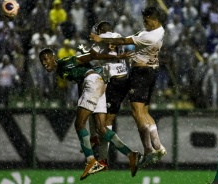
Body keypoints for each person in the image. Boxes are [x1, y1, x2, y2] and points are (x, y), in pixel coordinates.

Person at [39, 48, 141, 180]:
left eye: (46, 59)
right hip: (98, 83)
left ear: (53, 57)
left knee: (79, 124)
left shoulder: (64, 63)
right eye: (42, 61)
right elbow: (81, 79)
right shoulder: (61, 71)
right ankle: (131, 155)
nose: (44, 63)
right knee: (102, 129)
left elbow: (90, 56)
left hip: (92, 82)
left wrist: (117, 55)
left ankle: (91, 160)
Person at [89, 6, 167, 167]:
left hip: (139, 73)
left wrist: (101, 40)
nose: (144, 23)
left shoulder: (148, 36)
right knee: (144, 111)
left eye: (146, 21)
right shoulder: (160, 31)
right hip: (151, 71)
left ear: (154, 20)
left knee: (135, 111)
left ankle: (148, 150)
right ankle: (158, 146)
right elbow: (126, 39)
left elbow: (124, 41)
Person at [79, 21, 133, 170]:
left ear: (100, 31)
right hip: (123, 81)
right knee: (106, 121)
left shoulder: (101, 38)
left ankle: (99, 150)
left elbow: (91, 56)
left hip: (113, 82)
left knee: (93, 110)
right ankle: (102, 157)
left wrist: (81, 56)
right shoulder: (118, 36)